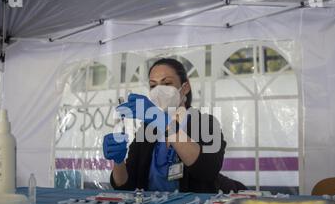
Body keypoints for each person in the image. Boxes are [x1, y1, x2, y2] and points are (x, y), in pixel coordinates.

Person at [103, 58, 245, 193]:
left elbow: (207, 170)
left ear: (185, 87)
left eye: (167, 83)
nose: (159, 90)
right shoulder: (147, 129)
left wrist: (162, 121)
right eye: (153, 85)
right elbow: (125, 186)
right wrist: (119, 161)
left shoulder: (205, 123)